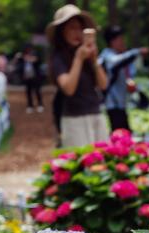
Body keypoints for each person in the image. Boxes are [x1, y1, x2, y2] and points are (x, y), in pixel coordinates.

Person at [46, 4, 109, 147]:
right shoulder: (58, 58)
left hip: (96, 114)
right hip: (74, 119)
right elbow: (68, 88)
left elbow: (103, 84)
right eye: (72, 28)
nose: (77, 33)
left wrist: (94, 60)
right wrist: (78, 59)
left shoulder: (87, 56)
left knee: (101, 162)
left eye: (80, 28)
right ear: (62, 32)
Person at [98, 25, 148, 132]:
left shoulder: (120, 56)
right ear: (112, 41)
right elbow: (117, 62)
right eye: (120, 39)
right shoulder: (107, 56)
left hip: (122, 103)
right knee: (119, 134)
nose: (123, 42)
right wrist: (137, 52)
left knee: (125, 133)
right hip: (113, 103)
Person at [17, 45, 44, 113]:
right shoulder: (22, 57)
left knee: (37, 91)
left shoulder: (35, 54)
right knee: (28, 92)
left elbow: (39, 61)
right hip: (27, 77)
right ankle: (30, 106)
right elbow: (18, 65)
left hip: (35, 77)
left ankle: (40, 105)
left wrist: (31, 59)